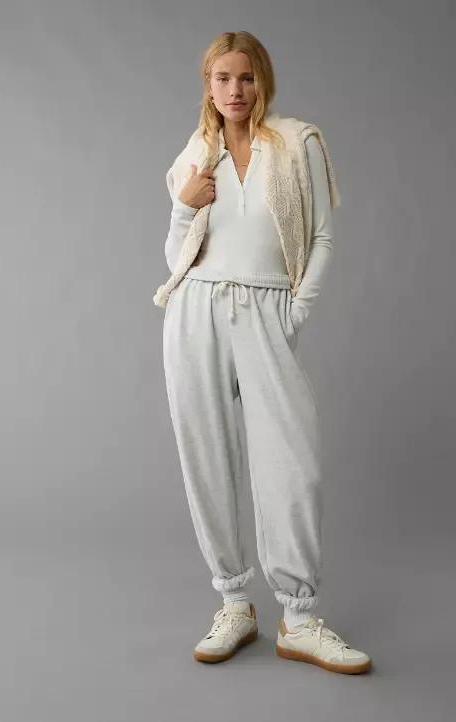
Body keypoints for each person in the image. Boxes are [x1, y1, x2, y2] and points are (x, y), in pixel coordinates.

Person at [156, 31, 372, 675]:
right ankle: (234, 604)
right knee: (207, 453)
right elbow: (176, 255)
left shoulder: (297, 142)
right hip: (196, 309)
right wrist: (182, 207)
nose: (235, 90)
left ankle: (298, 618)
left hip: (267, 306)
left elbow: (323, 237)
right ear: (207, 85)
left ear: (263, 81)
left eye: (246, 77)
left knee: (291, 461)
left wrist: (295, 311)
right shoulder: (197, 153)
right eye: (222, 78)